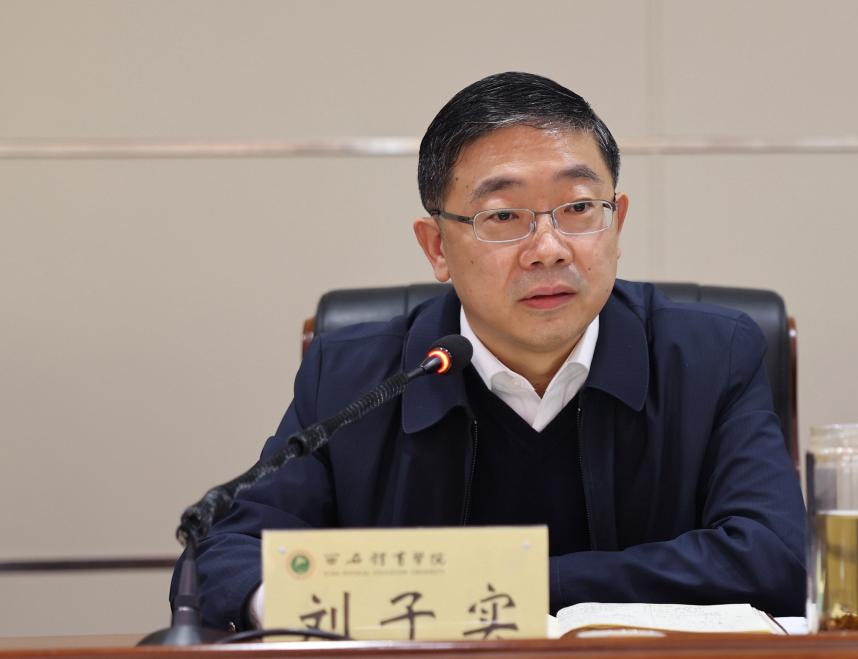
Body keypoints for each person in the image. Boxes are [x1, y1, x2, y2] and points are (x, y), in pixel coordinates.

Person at [172, 71, 806, 631]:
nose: (549, 248)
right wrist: (297, 604)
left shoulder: (710, 356)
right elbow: (226, 555)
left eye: (578, 208)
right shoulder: (354, 375)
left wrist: (498, 589)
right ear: (437, 248)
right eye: (503, 216)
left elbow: (774, 557)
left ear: (617, 222)